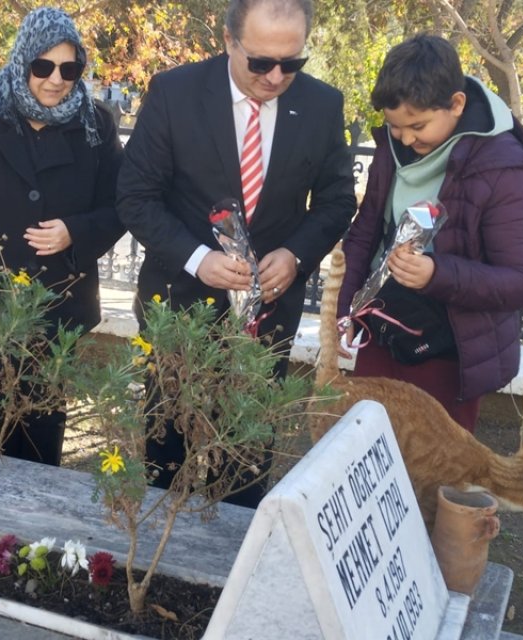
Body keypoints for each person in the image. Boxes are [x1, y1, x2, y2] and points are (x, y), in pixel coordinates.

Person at [117, 0, 356, 508]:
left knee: (246, 457)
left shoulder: (322, 106)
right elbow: (135, 197)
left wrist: (295, 254)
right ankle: (163, 556)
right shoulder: (174, 93)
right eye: (261, 62)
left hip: (268, 313)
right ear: (229, 42)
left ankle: (232, 570)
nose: (275, 77)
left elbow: (337, 202)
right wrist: (197, 258)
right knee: (168, 446)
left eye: (292, 63)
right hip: (179, 304)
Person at [0, 7, 124, 467]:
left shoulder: (96, 123)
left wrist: (76, 230)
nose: (56, 80)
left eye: (69, 69)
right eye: (43, 66)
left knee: (44, 422)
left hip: (59, 298)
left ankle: (33, 527)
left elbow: (121, 205)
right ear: (23, 61)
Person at [336, 34, 523, 432]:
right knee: (366, 454)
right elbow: (366, 231)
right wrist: (347, 306)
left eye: (417, 126)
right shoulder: (394, 147)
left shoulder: (501, 166)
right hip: (382, 333)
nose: (407, 140)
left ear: (457, 104)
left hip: (448, 351)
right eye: (395, 127)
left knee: (431, 478)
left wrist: (437, 274)